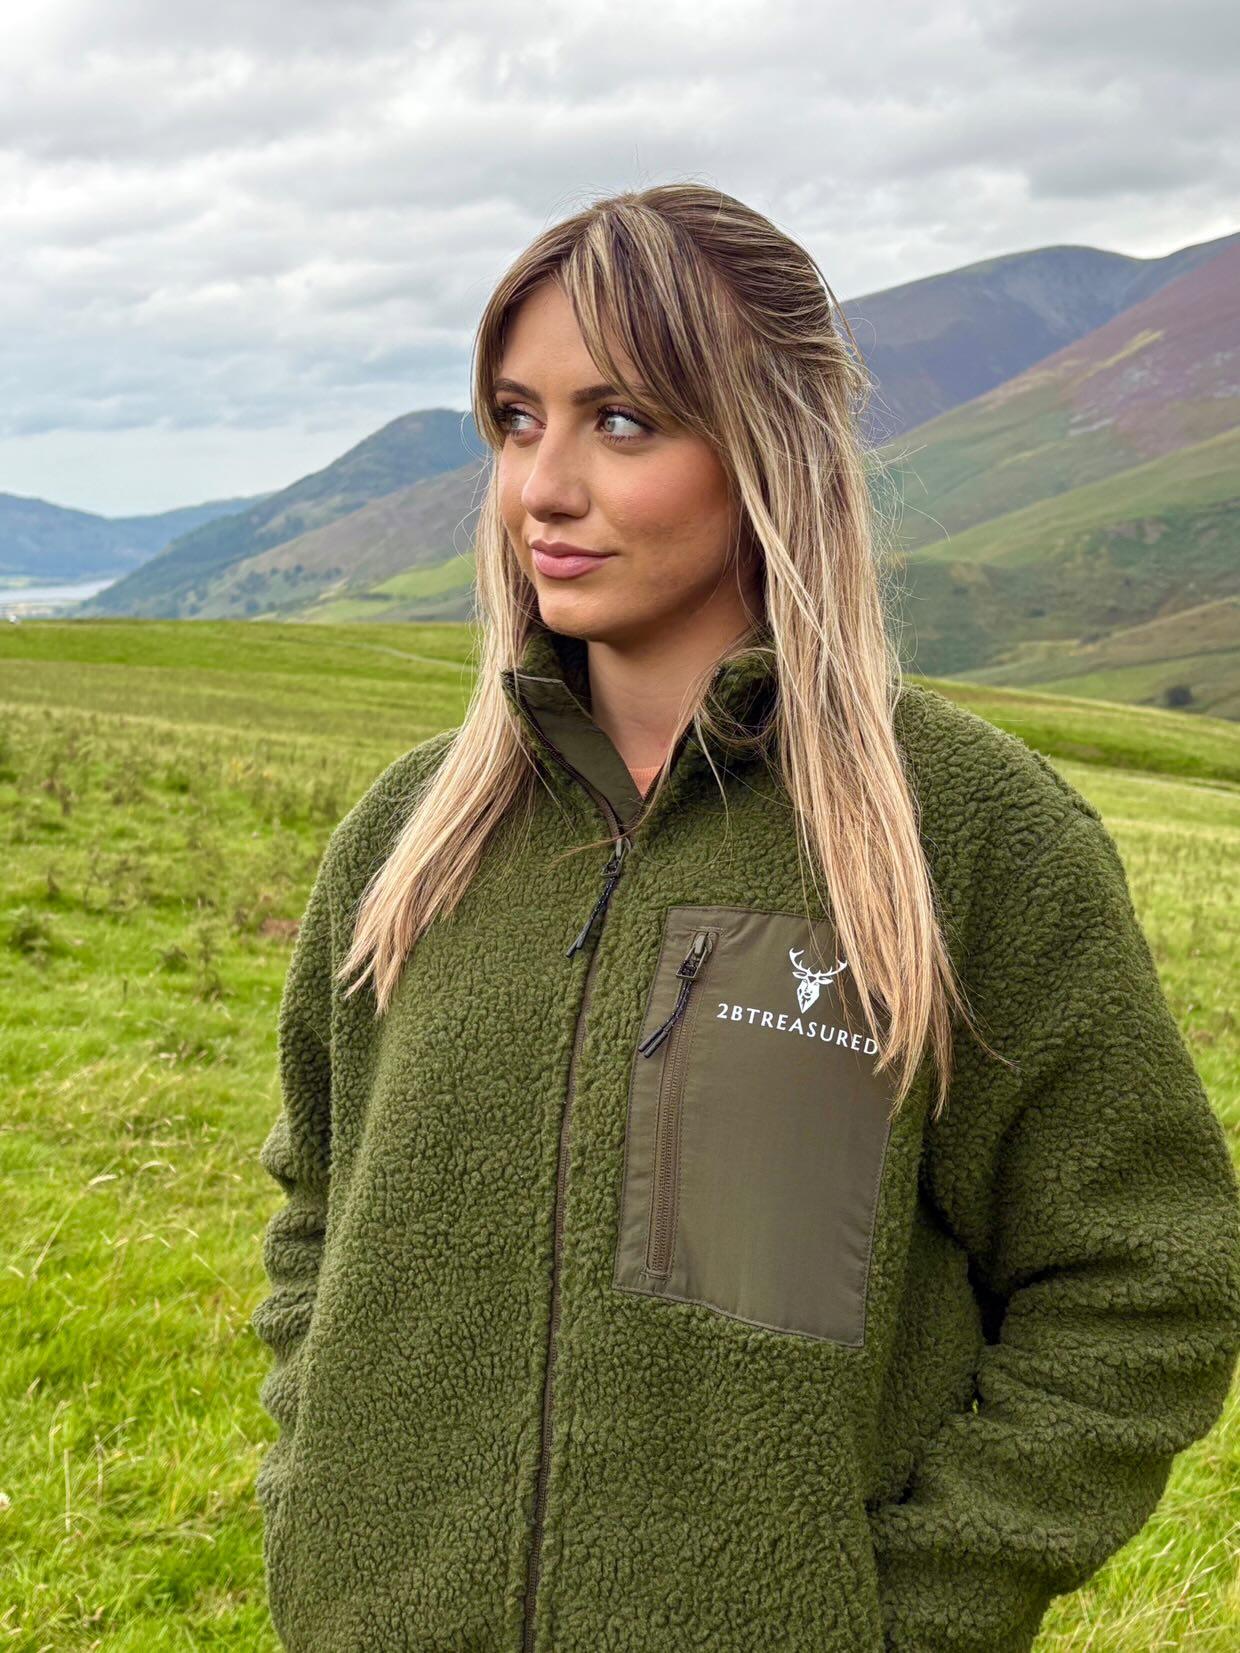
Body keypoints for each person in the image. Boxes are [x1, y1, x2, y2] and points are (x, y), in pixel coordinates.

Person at [250, 183, 1240, 1653]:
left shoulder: (964, 839)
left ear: (768, 446)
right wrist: (312, 1497)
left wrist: (916, 1609)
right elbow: (321, 1222)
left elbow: (1144, 1277)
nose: (543, 486)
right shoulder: (408, 842)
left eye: (625, 421)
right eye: (517, 420)